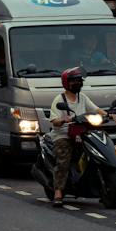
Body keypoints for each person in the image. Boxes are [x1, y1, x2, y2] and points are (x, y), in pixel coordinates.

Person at [44, 66, 102, 208]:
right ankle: (58, 192)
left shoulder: (82, 98)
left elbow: (95, 109)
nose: (78, 83)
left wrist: (108, 114)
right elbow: (54, 121)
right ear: (66, 83)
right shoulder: (59, 99)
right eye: (74, 81)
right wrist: (64, 120)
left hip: (81, 133)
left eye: (79, 80)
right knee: (63, 160)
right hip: (62, 135)